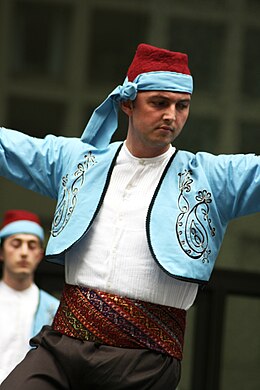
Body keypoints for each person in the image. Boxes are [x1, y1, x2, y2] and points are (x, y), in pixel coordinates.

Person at [0, 43, 259, 389]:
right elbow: (8, 148)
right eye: (159, 103)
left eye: (182, 106)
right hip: (62, 345)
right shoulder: (78, 162)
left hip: (144, 361)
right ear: (127, 103)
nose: (171, 115)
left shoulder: (211, 178)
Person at [0, 209, 60, 384]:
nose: (24, 252)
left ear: (39, 255)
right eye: (16, 244)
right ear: (2, 252)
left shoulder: (54, 309)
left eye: (32, 245)